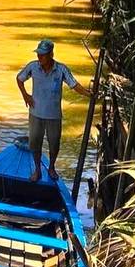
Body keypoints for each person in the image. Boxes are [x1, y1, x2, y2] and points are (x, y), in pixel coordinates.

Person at [16, 39, 91, 182]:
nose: (39, 57)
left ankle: (51, 167)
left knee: (54, 143)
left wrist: (88, 93)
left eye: (43, 55)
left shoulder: (61, 69)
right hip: (36, 113)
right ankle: (37, 170)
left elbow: (74, 85)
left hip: (54, 115)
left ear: (51, 54)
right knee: (34, 143)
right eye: (38, 54)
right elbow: (19, 79)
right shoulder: (33, 67)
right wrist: (25, 95)